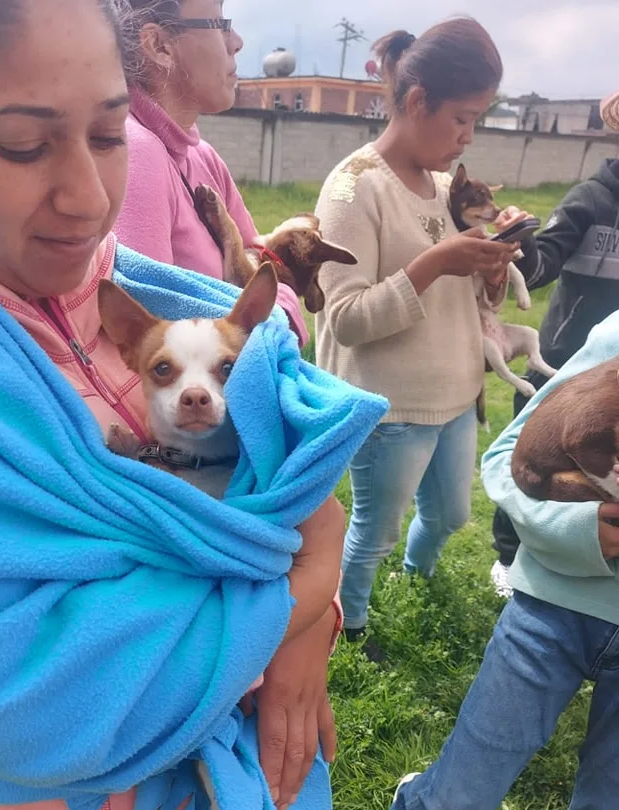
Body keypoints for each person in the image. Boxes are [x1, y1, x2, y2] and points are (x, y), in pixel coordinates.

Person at [0, 1, 363, 810]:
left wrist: (306, 556)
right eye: (25, 145)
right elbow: (39, 698)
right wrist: (305, 595)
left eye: (110, 134)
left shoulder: (133, 293)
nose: (87, 195)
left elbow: (301, 459)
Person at [371, 311, 619, 810]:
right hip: (556, 598)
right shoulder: (616, 336)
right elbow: (512, 455)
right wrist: (581, 535)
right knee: (460, 800)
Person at [313, 18, 518, 638]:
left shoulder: (442, 186)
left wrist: (491, 262)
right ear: (418, 100)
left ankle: (418, 576)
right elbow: (343, 320)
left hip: (455, 395)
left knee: (454, 515)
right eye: (461, 118)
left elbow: (464, 295)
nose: (468, 136)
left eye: (478, 119)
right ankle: (350, 628)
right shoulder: (353, 188)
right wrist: (434, 263)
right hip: (390, 405)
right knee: (373, 530)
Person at [112, 0, 309, 347]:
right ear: (159, 46)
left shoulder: (201, 156)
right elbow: (151, 339)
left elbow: (264, 265)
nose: (236, 42)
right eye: (220, 24)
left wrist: (275, 304)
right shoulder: (138, 152)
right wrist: (276, 312)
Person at [489, 89, 619, 599]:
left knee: (596, 477)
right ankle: (509, 557)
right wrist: (519, 245)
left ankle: (587, 560)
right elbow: (539, 271)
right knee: (532, 465)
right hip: (561, 369)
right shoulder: (590, 199)